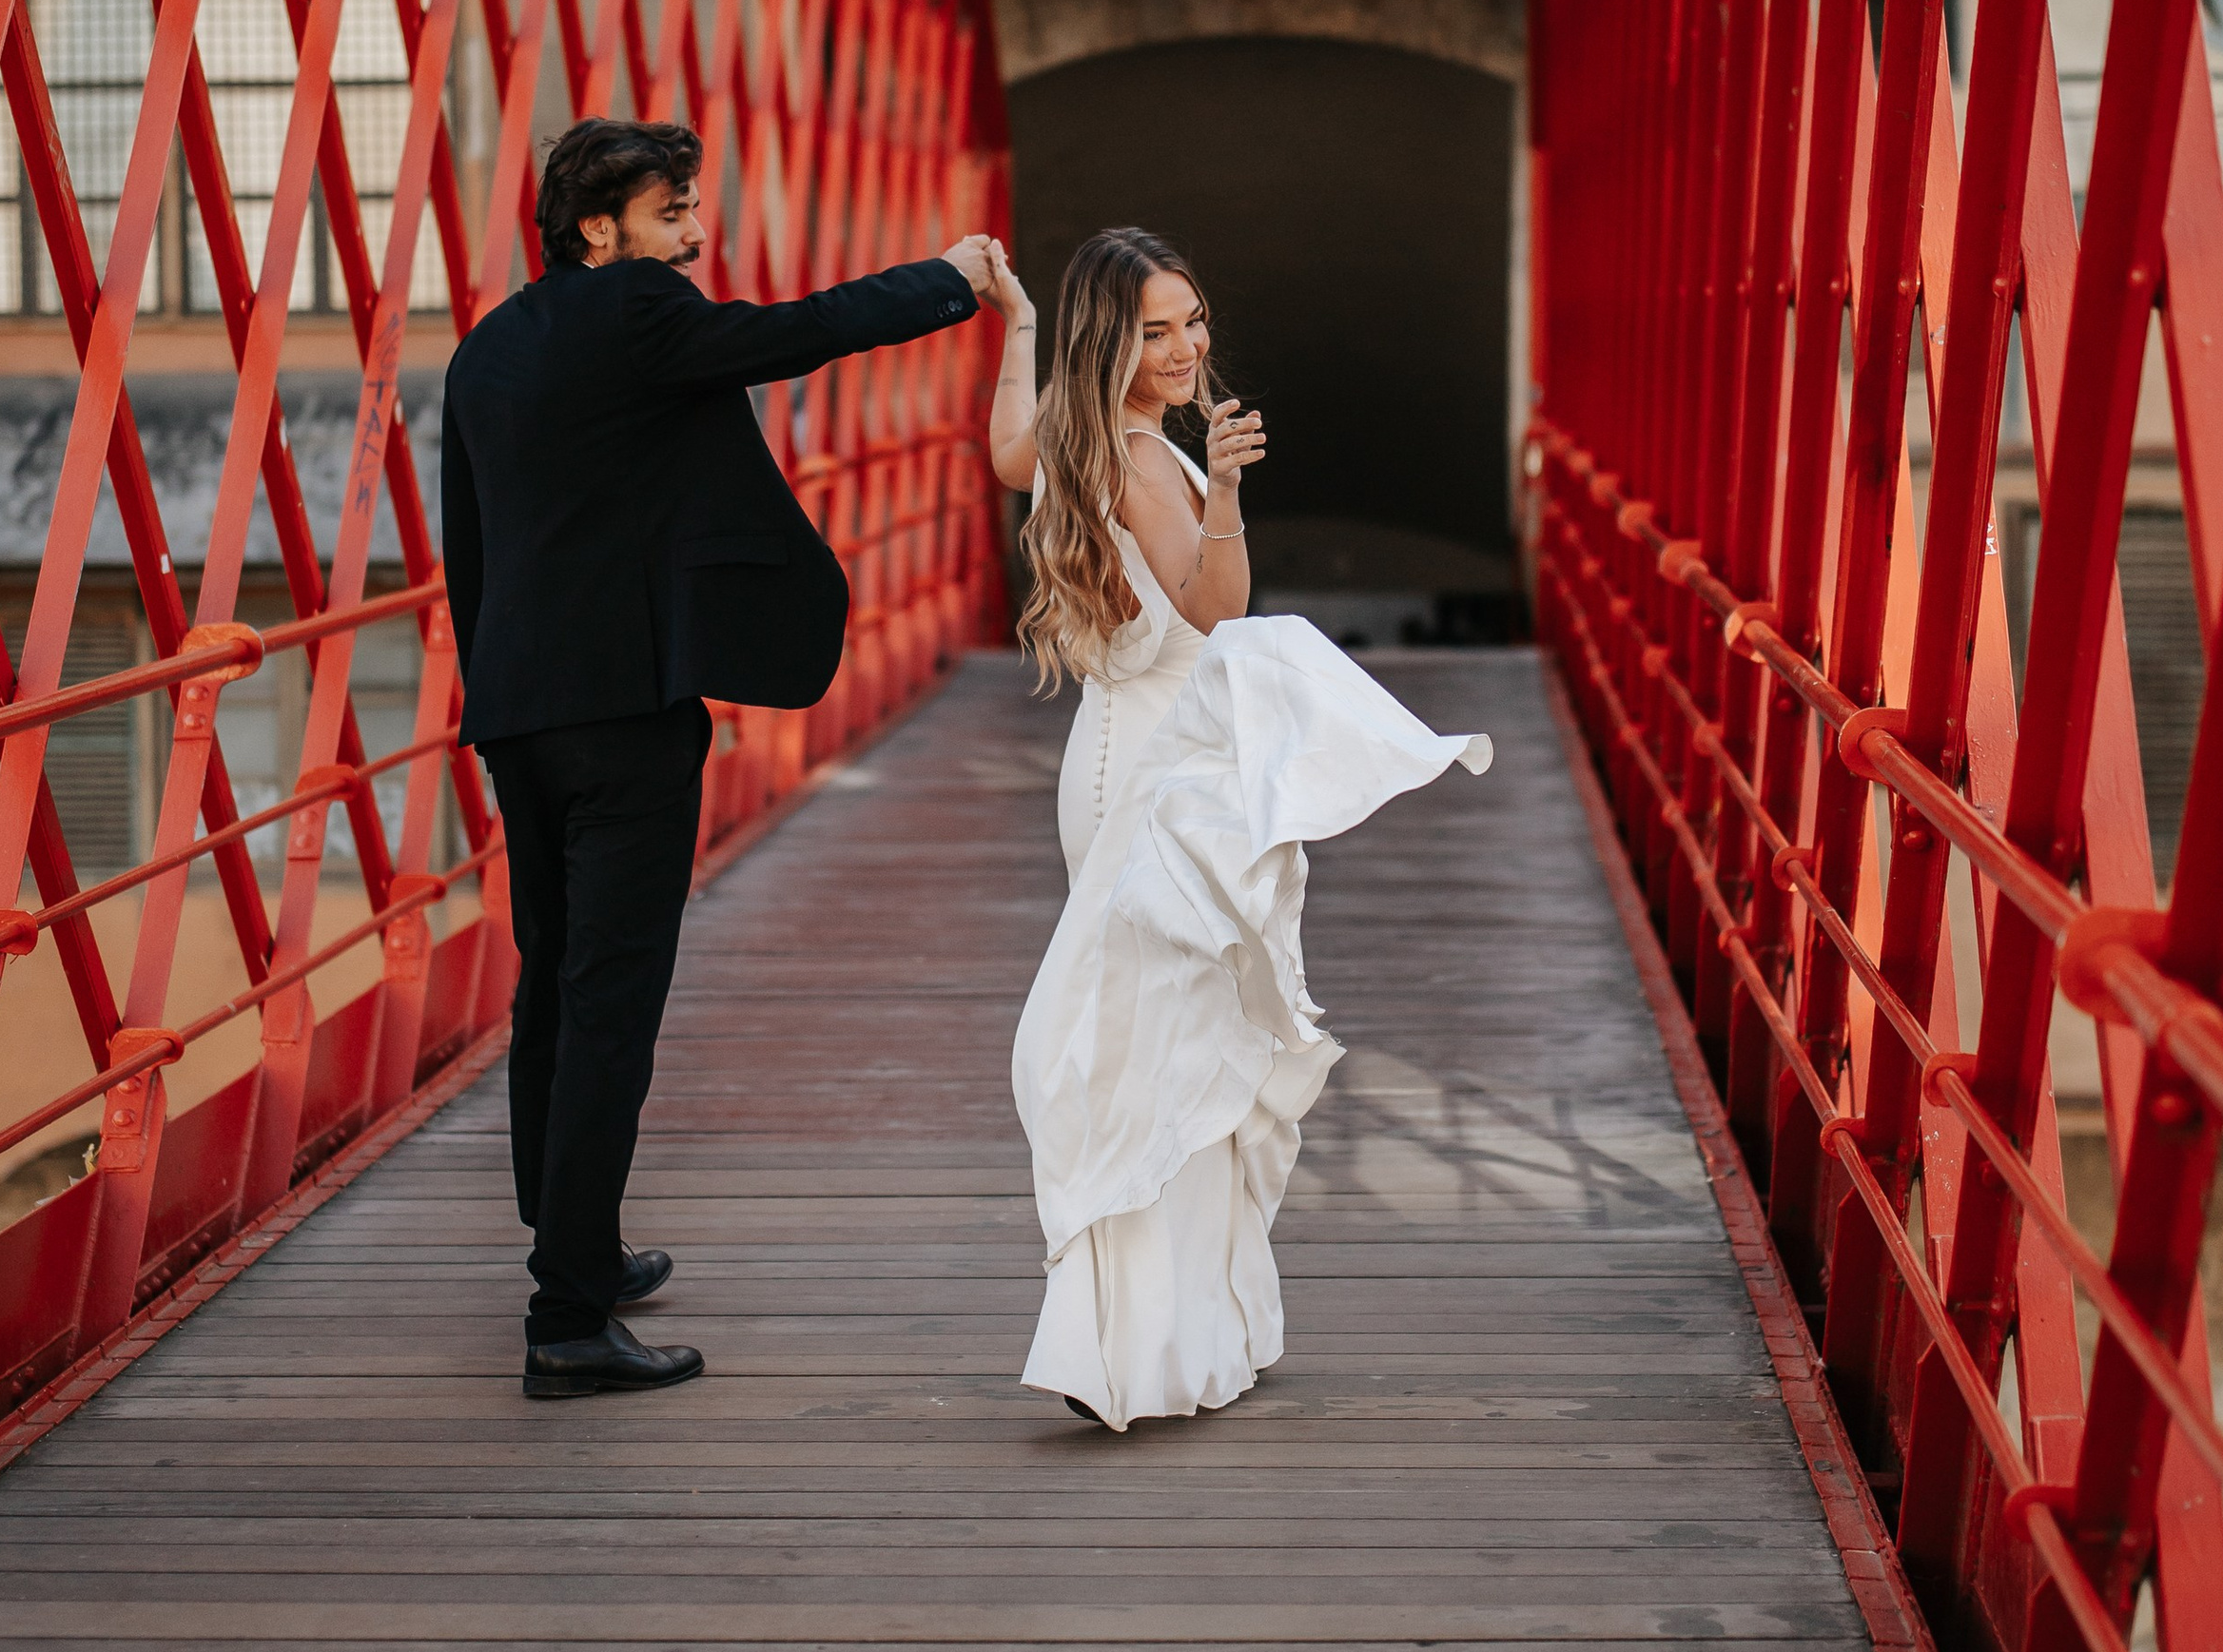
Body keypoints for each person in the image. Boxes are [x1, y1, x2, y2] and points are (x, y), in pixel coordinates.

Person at [440, 115, 1011, 1399]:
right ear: (601, 230)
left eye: (693, 211)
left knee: (555, 982)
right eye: (672, 212)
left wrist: (497, 690)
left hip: (521, 710)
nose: (696, 236)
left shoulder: (486, 349)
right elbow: (792, 334)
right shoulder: (638, 311)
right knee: (614, 1005)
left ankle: (569, 1241)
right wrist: (951, 280)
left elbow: (468, 546)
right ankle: (568, 1322)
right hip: (627, 716)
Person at [986, 226, 1492, 1432]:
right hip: (1170, 772)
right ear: (1112, 340)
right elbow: (1218, 614)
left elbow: (1007, 452)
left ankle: (1168, 1331)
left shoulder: (1065, 428)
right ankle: (1151, 1346)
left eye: (1193, 321)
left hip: (1108, 762)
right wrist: (1224, 488)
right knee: (1181, 1055)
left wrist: (1015, 323)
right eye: (1156, 330)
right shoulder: (1149, 463)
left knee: (1154, 1051)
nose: (1185, 347)